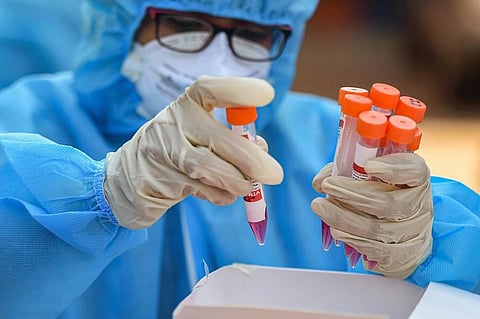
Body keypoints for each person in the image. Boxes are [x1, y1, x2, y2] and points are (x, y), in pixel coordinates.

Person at [0, 1, 478, 318]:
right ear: (124, 21)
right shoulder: (22, 117)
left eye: (251, 33)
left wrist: (426, 253)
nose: (220, 60)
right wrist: (105, 193)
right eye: (185, 25)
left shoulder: (321, 139)